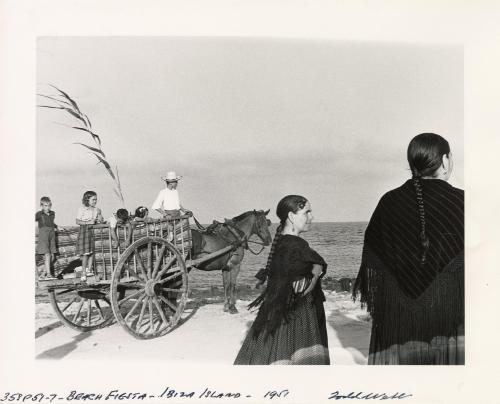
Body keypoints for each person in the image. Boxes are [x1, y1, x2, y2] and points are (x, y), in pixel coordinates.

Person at [353, 133, 464, 365]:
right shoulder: (463, 202)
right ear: (445, 161)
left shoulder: (388, 202)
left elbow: (373, 259)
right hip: (448, 322)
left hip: (397, 322)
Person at [234, 195, 330, 365]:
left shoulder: (283, 242)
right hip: (298, 319)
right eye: (306, 212)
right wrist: (316, 270)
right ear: (292, 217)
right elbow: (300, 287)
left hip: (278, 313)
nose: (311, 217)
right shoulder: (295, 245)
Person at [76, 191, 104, 281]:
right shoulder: (82, 209)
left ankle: (89, 270)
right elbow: (77, 221)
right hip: (84, 230)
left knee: (92, 252)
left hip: (93, 231)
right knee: (85, 254)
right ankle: (83, 272)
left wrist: (100, 215)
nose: (95, 201)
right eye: (93, 199)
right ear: (87, 199)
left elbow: (100, 220)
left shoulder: (96, 210)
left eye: (96, 199)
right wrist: (88, 222)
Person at [35, 196, 57, 279]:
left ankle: (43, 274)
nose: (47, 207)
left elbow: (51, 223)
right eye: (45, 205)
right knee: (47, 255)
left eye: (49, 205)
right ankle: (48, 274)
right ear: (41, 206)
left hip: (52, 235)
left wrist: (57, 227)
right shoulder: (39, 214)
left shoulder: (52, 213)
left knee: (53, 256)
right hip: (43, 236)